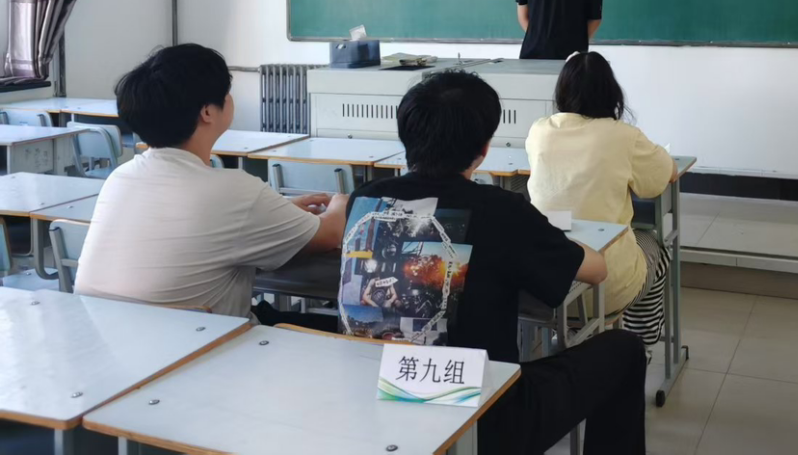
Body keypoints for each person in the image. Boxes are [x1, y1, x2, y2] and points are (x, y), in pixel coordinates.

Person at [341, 70, 647, 455]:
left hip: (379, 405)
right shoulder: (502, 210)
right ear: (483, 149)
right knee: (624, 350)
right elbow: (596, 271)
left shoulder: (364, 200)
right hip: (485, 417)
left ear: (407, 136)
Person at [74, 44, 348, 322]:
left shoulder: (120, 177)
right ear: (207, 112)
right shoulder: (235, 192)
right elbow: (330, 234)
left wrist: (279, 211)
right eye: (226, 92)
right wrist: (341, 203)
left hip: (111, 338)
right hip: (203, 344)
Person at [526, 52, 676, 352]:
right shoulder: (624, 136)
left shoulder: (540, 130)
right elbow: (662, 177)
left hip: (543, 287)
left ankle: (571, 337)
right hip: (605, 286)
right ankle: (639, 347)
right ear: (612, 93)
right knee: (657, 247)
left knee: (571, 232)